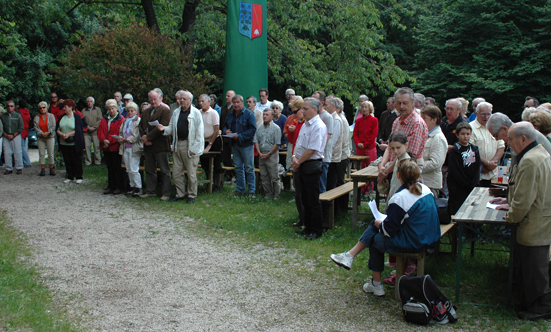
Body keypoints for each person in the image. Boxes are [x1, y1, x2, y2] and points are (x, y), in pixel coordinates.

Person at [330, 159, 440, 296]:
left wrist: (379, 224)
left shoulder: (399, 198)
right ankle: (349, 256)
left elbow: (388, 230)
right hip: (431, 236)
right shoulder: (426, 189)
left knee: (376, 239)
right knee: (377, 226)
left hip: (415, 241)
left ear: (398, 175)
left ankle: (374, 283)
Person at [490, 122, 551, 321]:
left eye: (510, 140)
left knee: (535, 267)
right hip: (537, 222)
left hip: (534, 224)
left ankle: (541, 307)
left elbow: (525, 198)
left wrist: (511, 216)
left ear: (523, 139)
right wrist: (508, 200)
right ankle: (531, 302)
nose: (508, 144)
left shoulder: (531, 161)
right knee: (531, 266)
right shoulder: (537, 154)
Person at [157, 90, 204, 203]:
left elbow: (199, 132)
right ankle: (180, 194)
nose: (181, 100)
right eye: (180, 98)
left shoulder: (196, 113)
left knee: (191, 173)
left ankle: (192, 195)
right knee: (177, 172)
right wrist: (163, 129)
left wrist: (195, 148)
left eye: (184, 98)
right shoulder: (176, 112)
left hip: (190, 144)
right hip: (177, 144)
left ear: (190, 100)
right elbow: (171, 128)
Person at [291, 97, 327, 240]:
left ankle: (316, 230)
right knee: (304, 197)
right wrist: (294, 156)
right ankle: (307, 226)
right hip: (301, 163)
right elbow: (299, 143)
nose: (303, 111)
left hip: (311, 164)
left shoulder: (318, 125)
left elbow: (312, 149)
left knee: (312, 199)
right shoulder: (305, 124)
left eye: (305, 108)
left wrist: (298, 161)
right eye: (302, 108)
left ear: (315, 109)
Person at [378, 87, 428, 186]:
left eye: (405, 103)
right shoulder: (397, 121)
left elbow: (408, 155)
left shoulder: (416, 123)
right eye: (399, 103)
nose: (402, 106)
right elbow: (389, 146)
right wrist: (382, 165)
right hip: (394, 167)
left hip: (409, 170)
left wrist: (386, 171)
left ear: (413, 103)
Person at [139, 90, 172, 201]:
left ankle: (166, 193)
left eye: (155, 99)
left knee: (164, 170)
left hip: (161, 145)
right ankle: (150, 191)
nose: (153, 101)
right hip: (148, 146)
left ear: (161, 98)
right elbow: (140, 126)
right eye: (151, 99)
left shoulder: (165, 111)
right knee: (149, 169)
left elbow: (161, 127)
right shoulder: (146, 112)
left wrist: (148, 137)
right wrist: (144, 137)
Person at [486, 112, 551, 169]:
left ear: (504, 129)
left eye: (496, 135)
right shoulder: (517, 135)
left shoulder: (523, 135)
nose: (496, 139)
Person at [223, 94, 257, 197]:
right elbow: (225, 126)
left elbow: (252, 130)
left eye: (238, 102)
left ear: (242, 103)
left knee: (249, 168)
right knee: (238, 168)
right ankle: (240, 190)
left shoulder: (249, 114)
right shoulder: (230, 115)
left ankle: (252, 191)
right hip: (235, 145)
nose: (236, 104)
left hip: (246, 145)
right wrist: (226, 131)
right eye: (234, 103)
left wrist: (240, 136)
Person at [447, 122, 481, 216]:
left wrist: (474, 182)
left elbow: (477, 166)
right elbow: (455, 171)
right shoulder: (455, 150)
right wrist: (466, 184)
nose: (465, 136)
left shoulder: (475, 149)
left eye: (468, 134)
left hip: (472, 184)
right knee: (459, 209)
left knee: (471, 209)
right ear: (457, 135)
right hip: (459, 187)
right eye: (462, 134)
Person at [469, 102, 504, 186]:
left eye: (489, 114)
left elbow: (501, 147)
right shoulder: (470, 128)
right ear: (476, 113)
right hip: (478, 174)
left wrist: (492, 163)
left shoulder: (495, 127)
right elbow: (471, 150)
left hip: (493, 174)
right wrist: (487, 164)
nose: (487, 117)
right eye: (483, 114)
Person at [98, 99, 125, 195]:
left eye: (113, 108)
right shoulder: (104, 119)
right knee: (109, 167)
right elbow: (100, 130)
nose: (111, 111)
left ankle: (118, 186)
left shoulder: (121, 119)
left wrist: (108, 141)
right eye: (109, 109)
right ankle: (110, 186)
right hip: (106, 147)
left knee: (117, 167)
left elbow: (117, 131)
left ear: (116, 108)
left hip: (115, 146)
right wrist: (103, 140)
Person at [198, 94, 224, 193]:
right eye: (199, 101)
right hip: (202, 141)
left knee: (216, 164)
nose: (201, 103)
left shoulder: (214, 113)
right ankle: (209, 183)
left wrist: (210, 144)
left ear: (209, 101)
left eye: (203, 101)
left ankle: (217, 185)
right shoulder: (198, 112)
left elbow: (216, 130)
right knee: (205, 164)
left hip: (214, 141)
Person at [420, 105, 447, 197]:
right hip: (422, 182)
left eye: (424, 118)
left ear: (434, 120)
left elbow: (435, 163)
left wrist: (415, 168)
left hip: (430, 185)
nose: (421, 120)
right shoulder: (426, 135)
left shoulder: (438, 138)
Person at [56, 99, 85, 183]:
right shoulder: (62, 117)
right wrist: (62, 135)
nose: (64, 109)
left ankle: (79, 176)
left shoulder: (77, 117)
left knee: (76, 160)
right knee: (67, 160)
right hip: (64, 142)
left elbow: (79, 130)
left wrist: (68, 134)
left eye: (65, 107)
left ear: (70, 107)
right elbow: (57, 128)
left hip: (74, 143)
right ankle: (70, 176)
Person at [254, 108, 281, 199]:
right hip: (261, 154)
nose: (264, 116)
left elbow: (277, 143)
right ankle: (268, 193)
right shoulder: (259, 128)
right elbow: (256, 141)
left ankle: (276, 194)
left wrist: (269, 153)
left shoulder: (276, 128)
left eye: (267, 115)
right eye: (264, 114)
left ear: (272, 116)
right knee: (264, 176)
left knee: (274, 175)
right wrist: (259, 153)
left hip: (271, 154)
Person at [117, 102, 143, 197]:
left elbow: (136, 136)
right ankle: (131, 186)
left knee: (134, 168)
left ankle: (138, 187)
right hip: (125, 147)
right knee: (128, 168)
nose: (130, 112)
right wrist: (120, 138)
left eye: (132, 111)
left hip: (134, 147)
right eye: (128, 111)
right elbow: (121, 132)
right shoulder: (125, 121)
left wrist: (126, 139)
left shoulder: (138, 121)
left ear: (136, 111)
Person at [353, 100, 378, 191]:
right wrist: (358, 143)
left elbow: (373, 134)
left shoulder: (374, 120)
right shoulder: (358, 120)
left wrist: (365, 144)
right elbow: (355, 133)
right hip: (360, 147)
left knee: (370, 168)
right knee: (360, 167)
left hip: (369, 147)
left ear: (370, 109)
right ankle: (361, 188)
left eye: (366, 107)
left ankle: (369, 189)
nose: (364, 109)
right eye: (362, 107)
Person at [312, 90, 333, 193]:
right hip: (313, 156)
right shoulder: (312, 116)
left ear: (322, 103)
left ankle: (323, 208)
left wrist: (313, 150)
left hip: (322, 157)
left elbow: (326, 138)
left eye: (314, 100)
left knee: (321, 185)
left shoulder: (327, 117)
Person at [34, 101, 56, 176]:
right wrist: (41, 133)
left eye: (44, 107)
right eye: (40, 108)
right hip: (41, 137)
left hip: (50, 136)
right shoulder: (36, 117)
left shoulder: (51, 116)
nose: (42, 109)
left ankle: (51, 168)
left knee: (51, 153)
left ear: (46, 108)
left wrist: (48, 132)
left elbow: (53, 126)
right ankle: (42, 169)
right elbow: (36, 127)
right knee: (41, 153)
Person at [1, 101, 24, 174]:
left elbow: (21, 127)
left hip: (16, 135)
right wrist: (6, 135)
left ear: (14, 107)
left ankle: (19, 168)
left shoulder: (17, 115)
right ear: (6, 107)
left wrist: (14, 135)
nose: (9, 107)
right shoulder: (3, 116)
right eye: (8, 106)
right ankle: (8, 168)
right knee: (7, 152)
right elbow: (1, 127)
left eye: (11, 106)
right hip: (6, 136)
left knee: (18, 152)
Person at [326, 97, 343, 192]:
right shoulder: (330, 118)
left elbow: (332, 141)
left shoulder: (336, 120)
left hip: (333, 157)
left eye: (326, 105)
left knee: (331, 183)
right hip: (329, 156)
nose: (324, 107)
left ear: (333, 106)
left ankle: (330, 206)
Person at [283, 96, 304, 172]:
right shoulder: (294, 120)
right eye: (292, 112)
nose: (294, 114)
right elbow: (291, 140)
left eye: (295, 112)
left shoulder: (307, 122)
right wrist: (291, 131)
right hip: (295, 153)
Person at [82, 96, 103, 166]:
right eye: (88, 101)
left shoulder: (97, 110)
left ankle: (98, 161)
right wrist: (88, 127)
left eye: (91, 101)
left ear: (93, 102)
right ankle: (88, 161)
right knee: (87, 147)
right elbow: (82, 121)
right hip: (87, 132)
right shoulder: (84, 110)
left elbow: (100, 119)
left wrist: (94, 127)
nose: (89, 103)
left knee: (96, 146)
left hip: (95, 131)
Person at [16, 100, 32, 168]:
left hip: (21, 131)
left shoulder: (19, 112)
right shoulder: (27, 112)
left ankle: (27, 162)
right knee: (24, 147)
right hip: (26, 130)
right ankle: (25, 162)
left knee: (22, 147)